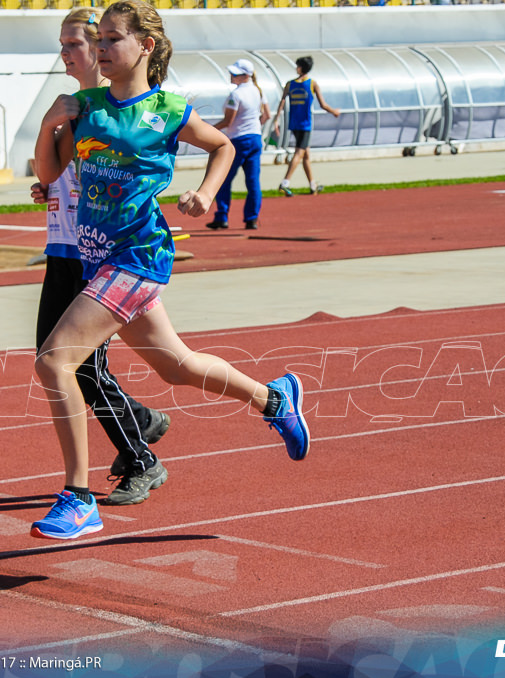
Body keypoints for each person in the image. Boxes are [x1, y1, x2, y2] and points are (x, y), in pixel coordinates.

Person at [30, 0, 311, 541]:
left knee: (54, 362)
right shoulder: (84, 105)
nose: (102, 49)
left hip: (137, 257)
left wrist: (206, 193)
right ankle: (274, 398)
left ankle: (79, 497)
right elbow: (50, 170)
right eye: (101, 40)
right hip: (97, 258)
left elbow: (224, 145)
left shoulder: (169, 109)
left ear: (145, 47)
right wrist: (50, 124)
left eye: (113, 39)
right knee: (177, 366)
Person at [30, 7, 171, 507]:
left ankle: (140, 457)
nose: (64, 54)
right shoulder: (73, 105)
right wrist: (46, 180)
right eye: (62, 44)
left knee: (79, 367)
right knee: (57, 358)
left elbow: (137, 169)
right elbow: (55, 171)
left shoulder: (115, 106)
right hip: (61, 245)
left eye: (73, 44)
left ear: (100, 48)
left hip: (104, 256)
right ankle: (143, 423)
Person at [205, 58, 270, 231]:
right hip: (255, 138)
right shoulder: (258, 91)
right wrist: (254, 127)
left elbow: (228, 121)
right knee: (253, 181)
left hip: (238, 140)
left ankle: (222, 216)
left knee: (224, 179)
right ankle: (252, 219)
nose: (231, 76)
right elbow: (266, 116)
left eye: (235, 74)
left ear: (244, 76)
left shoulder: (236, 94)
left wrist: (208, 130)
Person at [272, 55, 340, 196]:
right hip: (305, 124)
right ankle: (285, 183)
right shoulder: (312, 83)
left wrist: (276, 120)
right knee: (299, 153)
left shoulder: (290, 84)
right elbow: (323, 104)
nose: (296, 68)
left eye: (298, 65)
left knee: (306, 154)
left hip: (295, 124)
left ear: (302, 67)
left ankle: (312, 185)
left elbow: (282, 102)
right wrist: (334, 111)